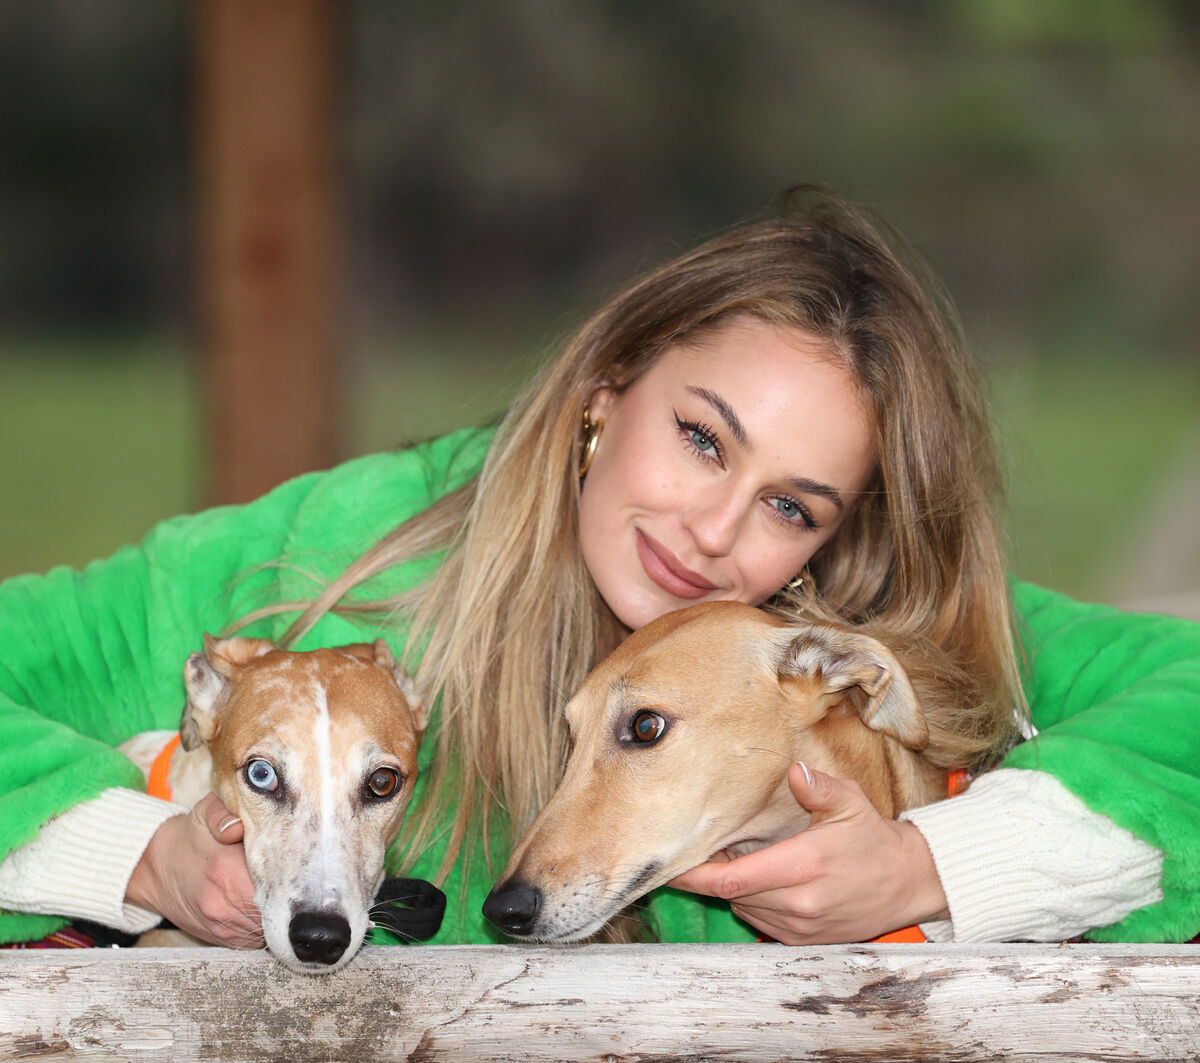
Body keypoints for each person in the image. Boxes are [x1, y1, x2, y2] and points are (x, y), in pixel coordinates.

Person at [1, 188, 1197, 950]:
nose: (714, 528)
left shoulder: (850, 632)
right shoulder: (336, 551)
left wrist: (933, 868)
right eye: (702, 437)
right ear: (605, 388)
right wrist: (141, 858)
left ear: (836, 538)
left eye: (790, 505)